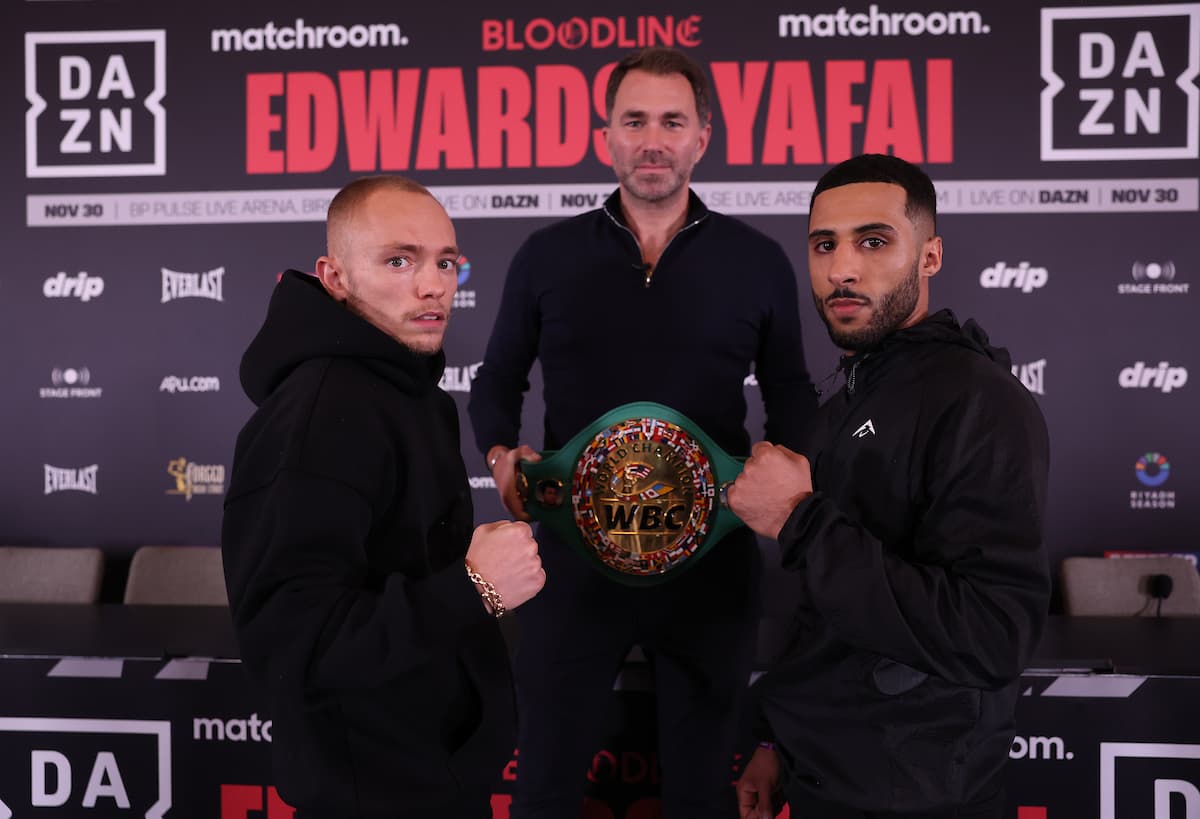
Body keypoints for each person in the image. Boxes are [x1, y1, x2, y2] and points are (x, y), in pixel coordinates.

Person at [467, 48, 819, 818]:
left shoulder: (757, 261)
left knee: (701, 794)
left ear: (702, 138)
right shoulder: (544, 257)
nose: (653, 140)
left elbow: (792, 392)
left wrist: (788, 473)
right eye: (635, 121)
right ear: (607, 139)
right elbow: (495, 382)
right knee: (545, 789)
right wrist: (500, 455)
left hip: (712, 568)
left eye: (672, 121)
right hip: (572, 564)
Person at [728, 154, 1050, 819]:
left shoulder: (979, 401)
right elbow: (832, 610)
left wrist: (795, 515)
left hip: (925, 795)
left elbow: (990, 635)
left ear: (929, 257)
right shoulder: (842, 404)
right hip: (827, 778)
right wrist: (781, 742)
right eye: (825, 245)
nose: (842, 269)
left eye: (873, 241)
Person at [221, 176, 546, 819]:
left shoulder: (407, 388)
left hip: (432, 774)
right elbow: (294, 647)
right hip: (372, 793)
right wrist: (477, 586)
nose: (433, 285)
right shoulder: (318, 413)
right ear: (335, 276)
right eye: (399, 260)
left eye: (445, 262)